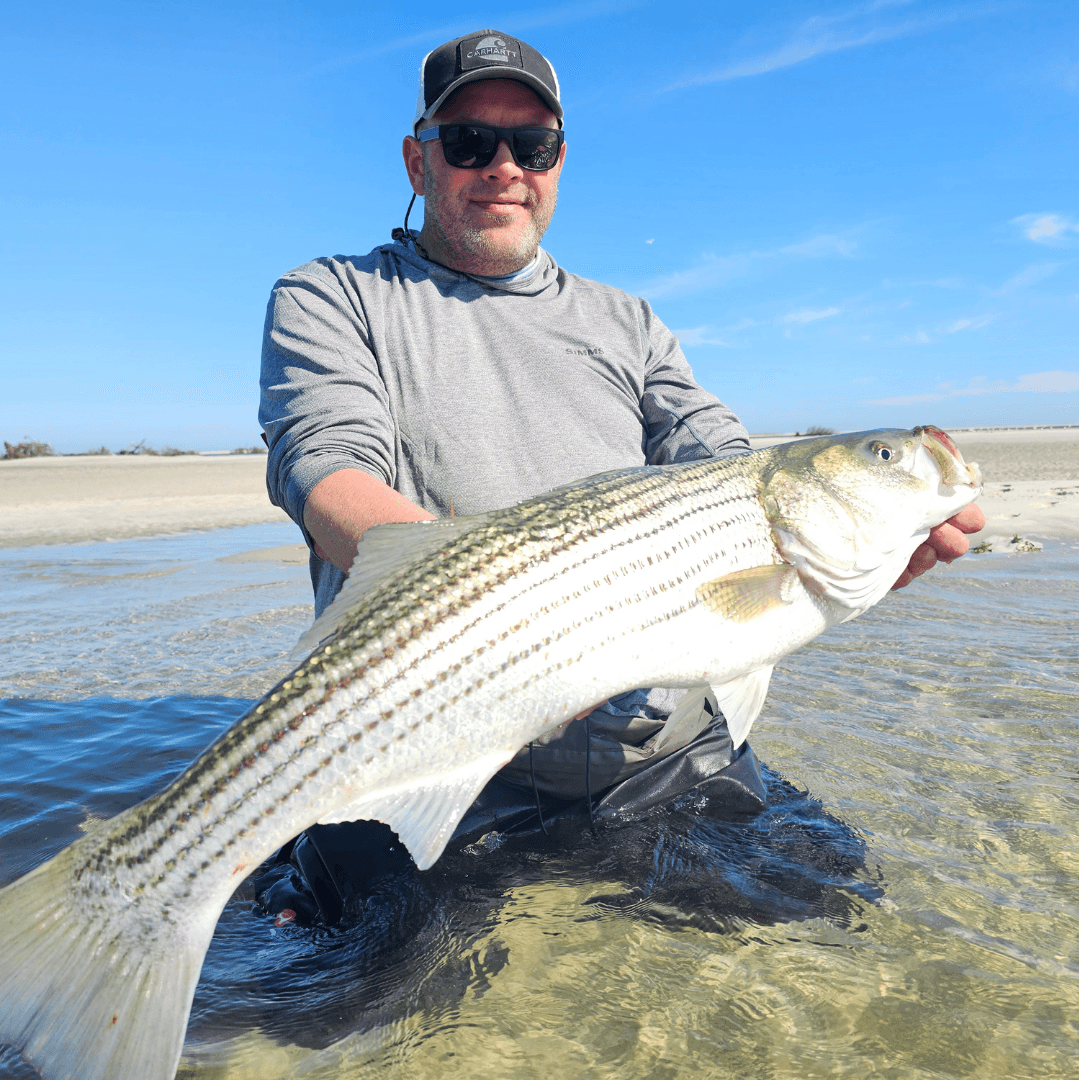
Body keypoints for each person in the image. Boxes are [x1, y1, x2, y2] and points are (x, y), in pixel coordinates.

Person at [258, 30, 984, 920]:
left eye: (532, 146)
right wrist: (510, 632)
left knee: (837, 914)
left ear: (558, 163)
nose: (503, 168)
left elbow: (725, 459)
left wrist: (865, 531)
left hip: (653, 756)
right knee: (355, 1006)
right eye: (468, 143)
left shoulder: (626, 320)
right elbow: (324, 464)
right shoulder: (332, 294)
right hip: (425, 742)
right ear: (418, 161)